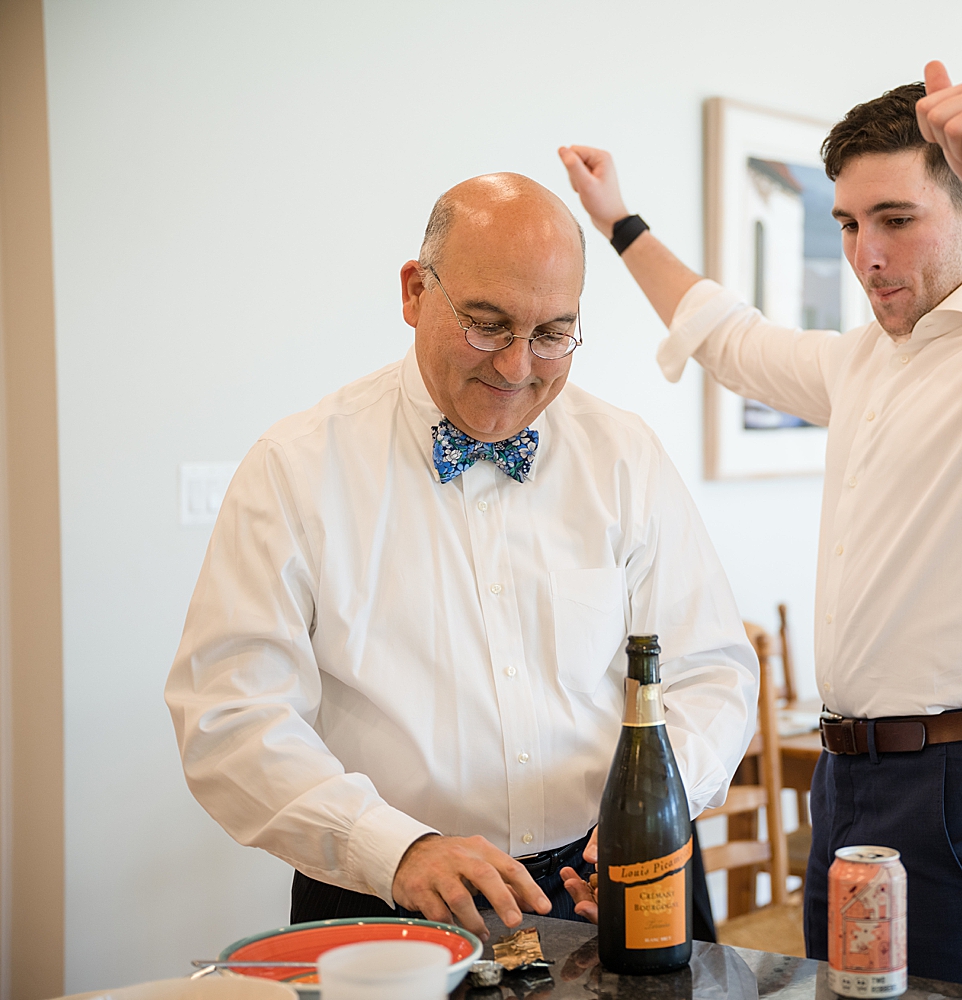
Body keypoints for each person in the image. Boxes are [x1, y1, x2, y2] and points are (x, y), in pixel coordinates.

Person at [558, 61, 962, 996]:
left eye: (896, 220)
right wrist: (619, 222)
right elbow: (729, 336)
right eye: (848, 223)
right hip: (850, 784)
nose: (866, 254)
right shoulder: (869, 358)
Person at [164, 174, 758, 945]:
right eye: (486, 325)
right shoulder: (295, 469)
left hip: (615, 884)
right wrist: (395, 847)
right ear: (415, 293)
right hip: (385, 900)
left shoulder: (624, 457)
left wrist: (657, 803)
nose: (517, 368)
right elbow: (230, 717)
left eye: (551, 334)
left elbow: (710, 669)